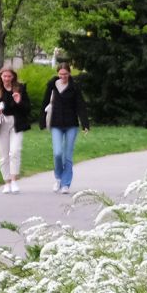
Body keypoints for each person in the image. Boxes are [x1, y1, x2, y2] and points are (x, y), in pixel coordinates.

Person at [41, 61, 88, 194]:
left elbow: (81, 105)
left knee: (67, 155)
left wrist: (85, 124)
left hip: (71, 125)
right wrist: (42, 121)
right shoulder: (52, 85)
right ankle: (58, 178)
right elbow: (45, 102)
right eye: (61, 74)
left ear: (69, 73)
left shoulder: (74, 87)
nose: (63, 77)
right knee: (57, 153)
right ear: (57, 74)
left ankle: (66, 183)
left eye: (66, 74)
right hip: (56, 124)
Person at [0, 66, 30, 193]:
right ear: (0, 77)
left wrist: (19, 101)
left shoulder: (20, 89)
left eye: (9, 76)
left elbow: (27, 109)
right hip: (1, 124)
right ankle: (7, 183)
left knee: (15, 151)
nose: (6, 79)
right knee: (3, 155)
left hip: (16, 123)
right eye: (4, 76)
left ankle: (14, 180)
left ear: (13, 77)